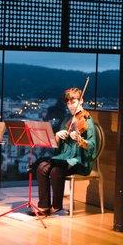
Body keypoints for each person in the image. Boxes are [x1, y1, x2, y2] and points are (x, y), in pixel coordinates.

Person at [33, 87, 97, 216]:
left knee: (56, 171)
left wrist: (80, 139)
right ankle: (44, 206)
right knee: (41, 167)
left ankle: (57, 206)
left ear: (82, 100)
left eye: (73, 102)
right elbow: (59, 147)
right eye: (68, 103)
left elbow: (92, 145)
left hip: (79, 161)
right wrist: (57, 136)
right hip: (65, 158)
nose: (70, 106)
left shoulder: (88, 121)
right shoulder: (67, 120)